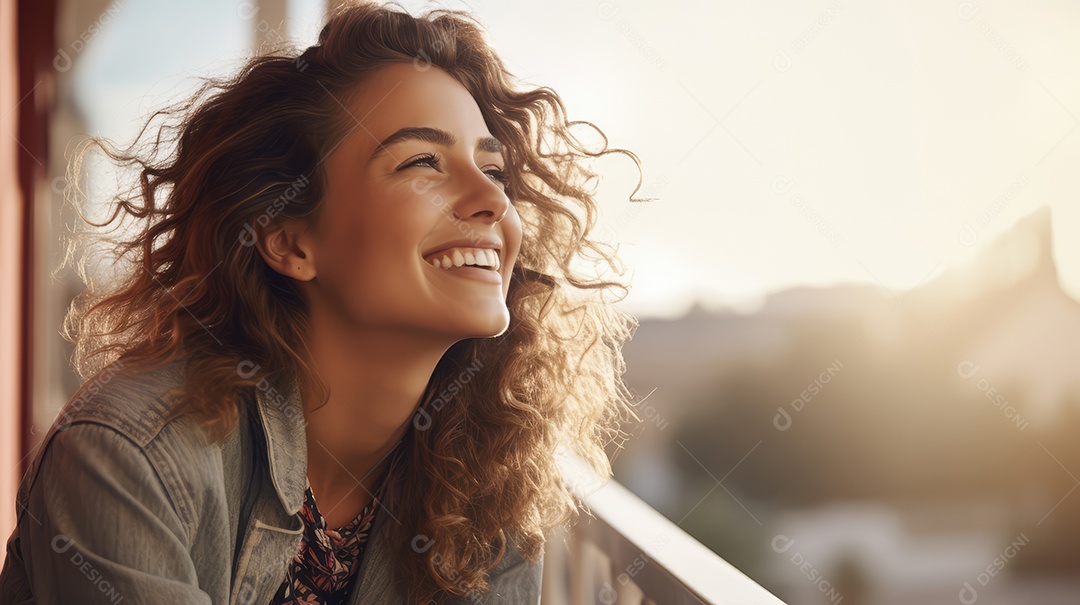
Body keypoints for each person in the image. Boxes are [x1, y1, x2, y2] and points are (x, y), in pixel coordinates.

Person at [1, 1, 648, 603]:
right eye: (422, 162)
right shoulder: (130, 456)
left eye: (495, 171)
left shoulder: (488, 474)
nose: (491, 201)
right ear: (290, 240)